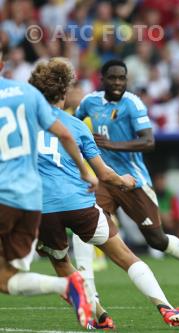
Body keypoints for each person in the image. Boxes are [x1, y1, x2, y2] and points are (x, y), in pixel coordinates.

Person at [30, 58, 179, 329]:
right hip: (80, 204)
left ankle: (98, 314)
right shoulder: (75, 127)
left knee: (62, 264)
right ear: (64, 93)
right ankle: (166, 309)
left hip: (43, 209)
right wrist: (125, 181)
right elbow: (105, 174)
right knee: (124, 255)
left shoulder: (25, 124)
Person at [74, 59, 179, 292]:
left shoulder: (133, 104)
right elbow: (75, 124)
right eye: (113, 77)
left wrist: (111, 145)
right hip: (106, 178)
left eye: (122, 78)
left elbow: (148, 141)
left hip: (134, 181)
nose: (118, 82)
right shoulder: (90, 102)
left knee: (156, 240)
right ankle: (87, 290)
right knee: (86, 220)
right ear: (103, 79)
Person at [0, 50, 93, 328]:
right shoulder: (28, 93)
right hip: (30, 201)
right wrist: (85, 171)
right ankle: (67, 286)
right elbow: (64, 133)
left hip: (3, 196)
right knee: (6, 279)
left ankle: (67, 286)